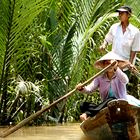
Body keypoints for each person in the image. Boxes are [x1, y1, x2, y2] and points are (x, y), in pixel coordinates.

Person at [76, 51, 129, 121]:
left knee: (111, 100)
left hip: (119, 105)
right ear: (103, 65)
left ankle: (88, 114)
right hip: (105, 106)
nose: (110, 65)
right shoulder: (100, 78)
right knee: (83, 105)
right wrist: (81, 88)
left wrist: (116, 68)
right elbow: (90, 89)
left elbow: (125, 80)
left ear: (116, 64)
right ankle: (94, 112)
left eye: (112, 63)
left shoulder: (119, 75)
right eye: (107, 63)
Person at [100, 5, 140, 98]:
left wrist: (129, 63)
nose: (120, 15)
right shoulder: (114, 27)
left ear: (128, 15)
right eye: (119, 13)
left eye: (122, 13)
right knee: (109, 88)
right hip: (112, 63)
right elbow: (107, 39)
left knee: (120, 92)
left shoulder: (135, 31)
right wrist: (104, 45)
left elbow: (134, 50)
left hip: (125, 66)